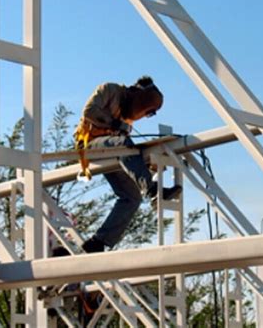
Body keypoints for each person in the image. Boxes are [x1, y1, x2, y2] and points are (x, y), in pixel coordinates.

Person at [75, 76, 182, 253]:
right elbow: (89, 112)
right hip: (89, 145)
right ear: (135, 94)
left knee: (132, 198)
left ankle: (98, 242)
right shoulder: (109, 90)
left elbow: (129, 156)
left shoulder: (127, 118)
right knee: (123, 144)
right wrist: (115, 123)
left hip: (113, 152)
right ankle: (153, 190)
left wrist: (150, 165)